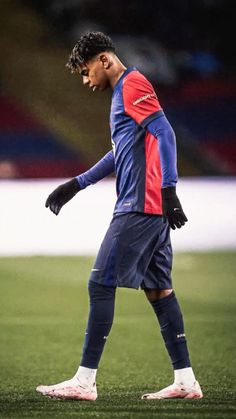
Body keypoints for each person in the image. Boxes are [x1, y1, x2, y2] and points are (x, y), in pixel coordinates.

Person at [36, 32, 203, 401]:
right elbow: (119, 153)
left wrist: (169, 189)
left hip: (139, 206)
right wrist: (76, 184)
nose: (86, 80)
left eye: (86, 71)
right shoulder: (122, 96)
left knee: (99, 284)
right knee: (159, 291)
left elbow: (165, 132)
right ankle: (186, 380)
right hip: (150, 210)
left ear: (105, 60)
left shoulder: (132, 84)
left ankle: (84, 381)